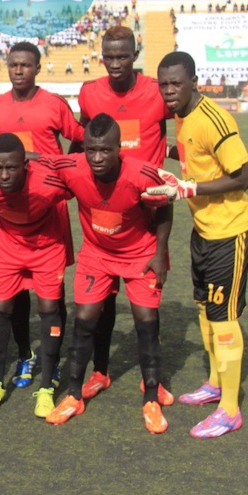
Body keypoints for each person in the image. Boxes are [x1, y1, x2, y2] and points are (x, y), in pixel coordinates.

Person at [145, 51, 248, 438]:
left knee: (224, 317)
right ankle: (214, 382)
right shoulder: (181, 116)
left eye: (176, 83)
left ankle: (230, 408)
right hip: (204, 228)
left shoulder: (214, 118)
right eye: (163, 84)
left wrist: (189, 187)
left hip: (232, 230)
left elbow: (245, 176)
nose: (169, 91)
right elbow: (197, 154)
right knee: (205, 309)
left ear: (195, 80)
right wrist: (165, 154)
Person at [41, 114, 173, 434]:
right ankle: (74, 394)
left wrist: (159, 254)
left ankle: (151, 397)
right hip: (97, 255)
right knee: (84, 321)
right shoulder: (74, 167)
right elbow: (36, 160)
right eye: (91, 150)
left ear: (119, 148)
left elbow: (167, 204)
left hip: (139, 255)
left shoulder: (141, 173)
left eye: (105, 151)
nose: (97, 158)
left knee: (146, 323)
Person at [72, 24, 175, 405]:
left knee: (146, 307)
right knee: (101, 303)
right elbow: (82, 137)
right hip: (104, 207)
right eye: (109, 56)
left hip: (147, 213)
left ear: (135, 54)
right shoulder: (89, 93)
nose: (116, 64)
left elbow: (181, 115)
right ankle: (101, 370)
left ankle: (154, 380)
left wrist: (182, 153)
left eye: (123, 56)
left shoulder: (154, 91)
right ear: (101, 56)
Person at [0, 41, 83, 393]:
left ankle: (53, 360)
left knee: (50, 294)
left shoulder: (53, 104)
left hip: (48, 208)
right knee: (13, 291)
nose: (18, 70)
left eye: (25, 65)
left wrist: (61, 167)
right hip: (12, 209)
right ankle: (25, 354)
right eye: (13, 65)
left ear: (37, 68)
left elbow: (80, 139)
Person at [0, 134, 72, 415]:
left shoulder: (49, 180)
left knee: (49, 308)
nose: (4, 175)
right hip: (7, 246)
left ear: (25, 165)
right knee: (1, 309)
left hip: (46, 245)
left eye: (12, 168)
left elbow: (81, 172)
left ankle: (47, 386)